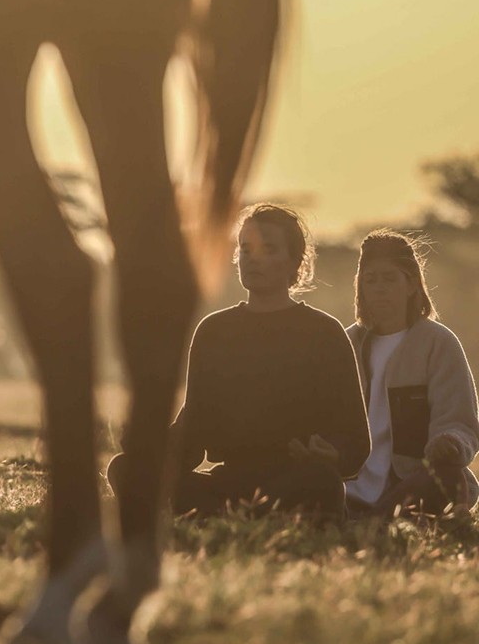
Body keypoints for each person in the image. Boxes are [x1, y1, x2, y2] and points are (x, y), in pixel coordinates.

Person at [108, 203, 370, 517]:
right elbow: (192, 438)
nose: (253, 258)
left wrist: (332, 455)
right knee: (123, 468)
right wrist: (147, 446)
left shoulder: (325, 332)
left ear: (295, 263)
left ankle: (223, 514)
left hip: (296, 480)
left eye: (268, 249)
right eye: (245, 249)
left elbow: (356, 441)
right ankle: (234, 512)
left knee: (322, 483)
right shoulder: (213, 331)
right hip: (228, 482)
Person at [344, 231, 478, 517]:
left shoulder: (438, 343)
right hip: (349, 481)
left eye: (389, 278)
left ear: (412, 284)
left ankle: (378, 517)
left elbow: (460, 421)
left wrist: (450, 443)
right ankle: (370, 516)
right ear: (360, 287)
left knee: (449, 478)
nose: (379, 288)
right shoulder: (347, 343)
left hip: (411, 479)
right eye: (371, 280)